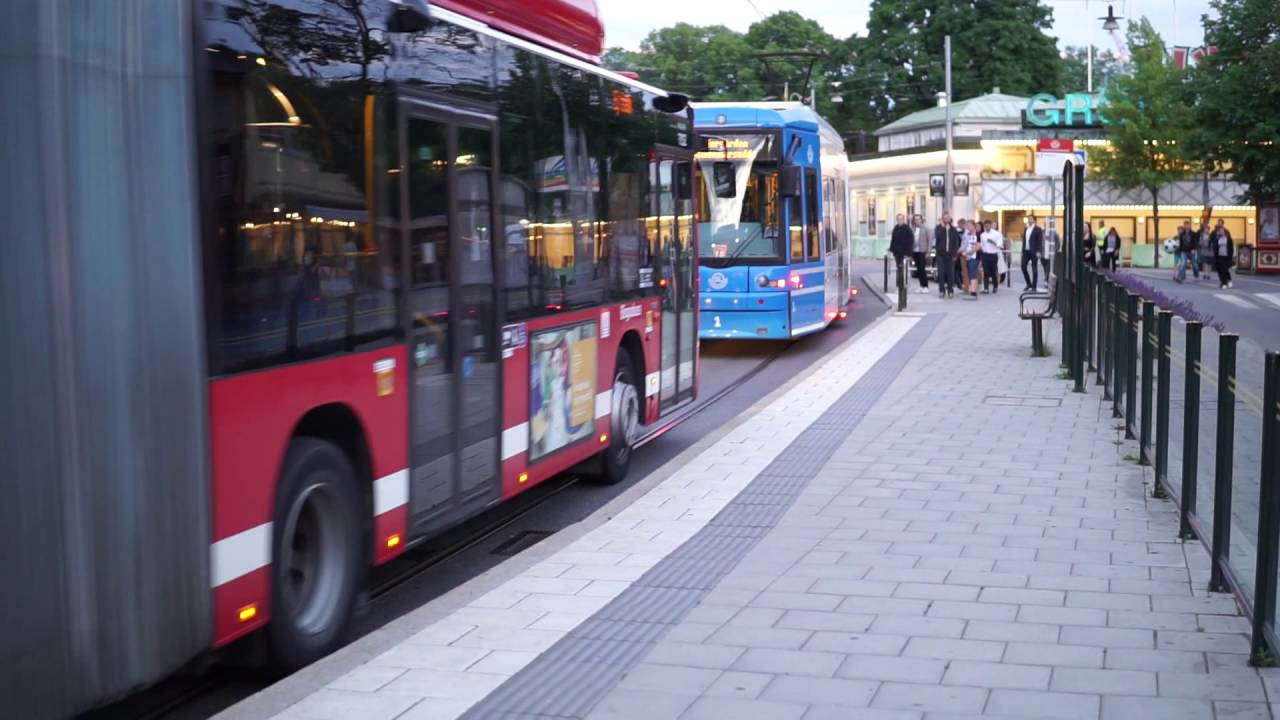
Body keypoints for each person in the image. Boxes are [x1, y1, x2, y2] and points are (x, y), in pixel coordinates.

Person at [933, 212, 961, 298]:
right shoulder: (938, 228)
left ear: (950, 219)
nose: (946, 220)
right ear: (942, 219)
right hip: (941, 254)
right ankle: (941, 290)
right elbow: (938, 236)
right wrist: (943, 228)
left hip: (950, 254)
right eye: (944, 218)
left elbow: (956, 243)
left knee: (950, 273)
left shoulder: (953, 229)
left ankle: (950, 290)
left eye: (947, 218)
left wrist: (955, 255)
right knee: (941, 273)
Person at [1021, 215, 1045, 291]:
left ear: (1034, 220)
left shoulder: (1038, 229)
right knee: (1023, 266)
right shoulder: (1026, 229)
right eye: (1028, 219)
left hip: (1034, 251)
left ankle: (1034, 286)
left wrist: (1039, 251)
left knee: (1034, 269)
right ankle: (1029, 284)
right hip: (1026, 251)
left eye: (1030, 219)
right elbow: (1025, 240)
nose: (1029, 220)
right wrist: (1023, 250)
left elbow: (1040, 241)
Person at [980, 219, 1004, 294]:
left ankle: (995, 286)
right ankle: (986, 288)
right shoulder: (982, 235)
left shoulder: (997, 234)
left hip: (993, 255)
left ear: (991, 225)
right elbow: (982, 244)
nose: (987, 227)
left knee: (993, 271)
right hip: (985, 254)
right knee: (986, 272)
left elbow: (1000, 245)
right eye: (985, 226)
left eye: (988, 226)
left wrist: (993, 242)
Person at [889, 213, 913, 288]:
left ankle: (903, 285)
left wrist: (908, 254)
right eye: (898, 219)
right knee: (898, 269)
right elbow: (893, 240)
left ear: (903, 220)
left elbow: (910, 241)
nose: (899, 220)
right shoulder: (895, 228)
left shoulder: (907, 229)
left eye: (901, 219)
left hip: (904, 253)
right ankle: (898, 284)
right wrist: (891, 249)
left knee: (903, 269)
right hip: (897, 253)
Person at [1211, 219, 1235, 288]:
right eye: (1220, 231)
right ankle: (1223, 282)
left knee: (1225, 270)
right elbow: (1215, 246)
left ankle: (1229, 280)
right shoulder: (1217, 239)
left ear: (1225, 232)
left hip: (1226, 256)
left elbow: (1231, 248)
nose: (1221, 232)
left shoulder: (1228, 239)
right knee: (1220, 270)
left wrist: (1231, 256)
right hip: (1219, 256)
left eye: (1222, 231)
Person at [911, 214, 930, 293]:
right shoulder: (913, 229)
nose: (917, 221)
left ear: (921, 220)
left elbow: (929, 241)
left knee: (922, 269)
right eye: (915, 219)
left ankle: (925, 286)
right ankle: (921, 286)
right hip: (915, 251)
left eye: (918, 219)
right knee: (918, 270)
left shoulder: (926, 229)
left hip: (923, 251)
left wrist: (928, 252)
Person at [961, 220, 981, 298]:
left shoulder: (977, 235)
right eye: (967, 225)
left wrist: (969, 252)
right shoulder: (968, 235)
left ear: (973, 226)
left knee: (973, 273)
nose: (968, 227)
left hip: (975, 256)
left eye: (970, 225)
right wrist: (965, 252)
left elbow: (978, 247)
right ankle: (972, 289)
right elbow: (967, 245)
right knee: (971, 273)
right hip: (969, 256)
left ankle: (973, 292)